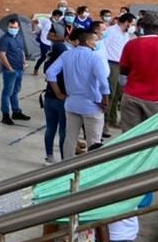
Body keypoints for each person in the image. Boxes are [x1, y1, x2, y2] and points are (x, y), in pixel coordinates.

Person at [45, 29, 111, 158]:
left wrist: (58, 93)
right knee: (94, 141)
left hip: (72, 104)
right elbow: (103, 83)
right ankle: (91, 169)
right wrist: (105, 100)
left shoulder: (66, 55)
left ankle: (66, 167)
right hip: (91, 105)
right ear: (87, 42)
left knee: (70, 138)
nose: (97, 42)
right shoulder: (95, 58)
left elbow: (50, 73)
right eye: (95, 40)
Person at [119, 11, 158, 131]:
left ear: (142, 26)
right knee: (155, 138)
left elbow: (123, 70)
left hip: (132, 95)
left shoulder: (131, 45)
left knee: (130, 138)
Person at [102, 12, 136, 128]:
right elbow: (104, 46)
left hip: (121, 65)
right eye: (132, 24)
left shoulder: (125, 34)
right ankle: (104, 122)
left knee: (118, 94)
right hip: (111, 63)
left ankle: (112, 118)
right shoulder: (111, 31)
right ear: (126, 22)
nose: (132, 27)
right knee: (110, 93)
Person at [0, 19, 31, 125]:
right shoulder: (4, 39)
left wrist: (24, 62)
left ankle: (16, 112)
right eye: (11, 27)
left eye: (15, 27)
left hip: (20, 68)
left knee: (15, 91)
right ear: (8, 27)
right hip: (10, 70)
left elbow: (21, 51)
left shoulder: (19, 37)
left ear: (18, 28)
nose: (13, 29)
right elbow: (2, 55)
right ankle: (5, 115)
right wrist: (9, 68)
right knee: (7, 92)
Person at [41, 43, 69, 163]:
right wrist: (59, 93)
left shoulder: (48, 63)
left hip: (48, 98)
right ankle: (64, 158)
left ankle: (49, 155)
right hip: (62, 100)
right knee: (63, 131)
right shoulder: (64, 65)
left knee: (50, 128)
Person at [33, 10, 63, 76]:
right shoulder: (46, 20)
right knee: (43, 57)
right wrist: (35, 30)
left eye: (59, 17)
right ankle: (36, 69)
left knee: (52, 58)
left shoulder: (59, 24)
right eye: (56, 16)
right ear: (53, 15)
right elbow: (34, 22)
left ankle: (48, 72)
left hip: (53, 43)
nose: (57, 18)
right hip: (44, 42)